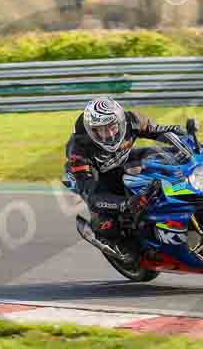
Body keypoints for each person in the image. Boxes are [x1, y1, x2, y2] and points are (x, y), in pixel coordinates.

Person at [65, 97, 186, 263]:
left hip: (126, 159)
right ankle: (114, 243)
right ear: (91, 131)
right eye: (101, 130)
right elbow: (91, 195)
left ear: (121, 122)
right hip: (100, 178)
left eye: (112, 127)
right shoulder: (78, 150)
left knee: (168, 155)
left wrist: (189, 141)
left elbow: (162, 131)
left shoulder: (132, 120)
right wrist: (124, 204)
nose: (109, 134)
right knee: (106, 225)